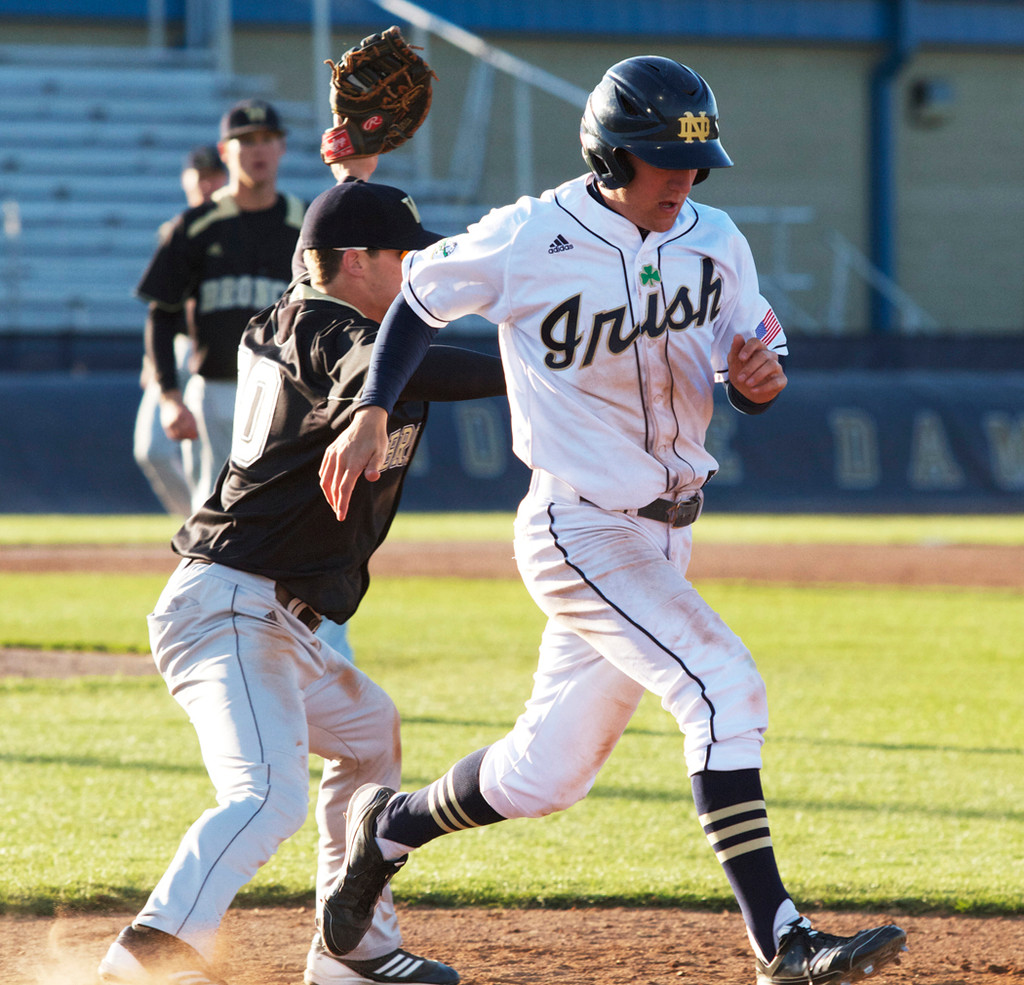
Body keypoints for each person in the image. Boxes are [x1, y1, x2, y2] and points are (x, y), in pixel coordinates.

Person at [315, 56, 909, 985]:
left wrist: (756, 381)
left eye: (696, 160)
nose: (684, 177)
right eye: (662, 158)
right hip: (578, 526)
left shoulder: (713, 237)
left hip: (666, 531)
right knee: (723, 684)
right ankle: (781, 939)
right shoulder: (530, 234)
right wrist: (371, 408)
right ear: (609, 153)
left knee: (543, 776)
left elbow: (750, 350)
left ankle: (387, 827)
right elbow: (420, 300)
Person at [97, 179, 507, 985]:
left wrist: (353, 163)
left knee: (369, 734)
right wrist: (529, 364)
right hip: (232, 606)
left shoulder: (303, 309)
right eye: (403, 256)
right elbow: (388, 359)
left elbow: (327, 275)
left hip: (270, 617)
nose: (416, 270)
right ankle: (144, 959)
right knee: (265, 795)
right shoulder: (326, 327)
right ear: (356, 263)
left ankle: (350, 946)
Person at [137, 99, 304, 515]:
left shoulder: (305, 226)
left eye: (267, 139)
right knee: (214, 511)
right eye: (246, 141)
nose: (258, 149)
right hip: (215, 389)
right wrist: (169, 397)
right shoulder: (194, 227)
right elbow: (162, 313)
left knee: (282, 515)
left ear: (282, 147)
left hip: (290, 393)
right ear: (226, 151)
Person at [133, 145, 227, 516]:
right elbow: (163, 306)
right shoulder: (177, 230)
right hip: (178, 348)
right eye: (198, 176)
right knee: (152, 447)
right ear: (186, 180)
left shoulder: (238, 227)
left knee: (213, 452)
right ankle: (194, 524)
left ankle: (214, 525)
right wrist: (151, 359)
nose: (206, 184)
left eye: (212, 176)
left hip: (220, 350)